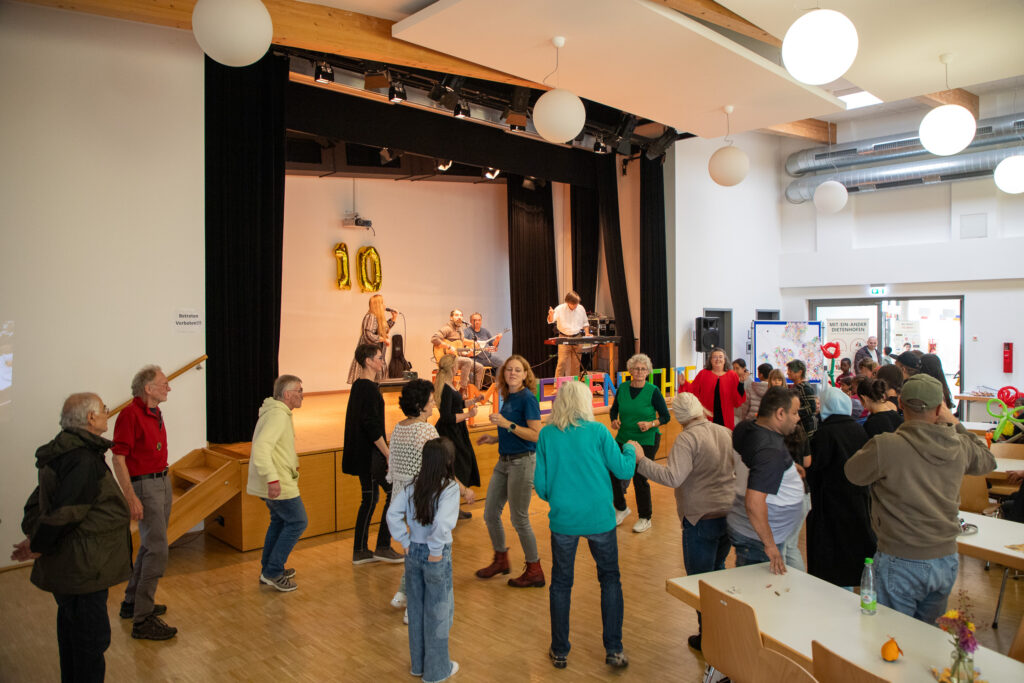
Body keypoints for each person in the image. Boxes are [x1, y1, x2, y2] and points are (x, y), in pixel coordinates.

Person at [845, 374, 996, 624]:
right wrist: (954, 422)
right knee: (928, 638)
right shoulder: (959, 445)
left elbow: (852, 473)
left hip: (899, 556)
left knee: (892, 636)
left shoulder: (886, 446)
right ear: (939, 408)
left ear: (900, 404)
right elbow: (988, 460)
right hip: (945, 557)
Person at [12, 392, 131, 681]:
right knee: (90, 642)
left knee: (73, 635)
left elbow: (40, 504)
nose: (107, 413)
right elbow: (67, 512)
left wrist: (37, 540)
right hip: (82, 568)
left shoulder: (65, 452)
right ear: (91, 418)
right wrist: (38, 545)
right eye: (103, 409)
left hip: (74, 565)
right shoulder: (81, 458)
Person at [534, 380, 637, 670]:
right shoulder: (598, 431)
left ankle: (559, 651)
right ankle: (614, 649)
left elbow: (540, 487)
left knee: (561, 584)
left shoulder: (547, 435)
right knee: (610, 579)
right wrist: (631, 449)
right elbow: (623, 469)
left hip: (564, 519)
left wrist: (559, 497)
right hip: (599, 517)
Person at [635, 392, 735, 652]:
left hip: (700, 518)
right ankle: (723, 631)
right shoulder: (725, 432)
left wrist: (641, 461)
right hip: (728, 515)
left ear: (679, 417)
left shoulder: (686, 439)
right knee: (718, 572)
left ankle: (708, 637)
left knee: (700, 582)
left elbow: (673, 477)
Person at [386, 438, 461, 683]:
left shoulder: (412, 485)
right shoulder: (449, 488)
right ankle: (437, 671)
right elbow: (442, 522)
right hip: (436, 555)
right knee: (439, 612)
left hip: (413, 552)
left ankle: (418, 665)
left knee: (416, 610)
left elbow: (392, 514)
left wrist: (404, 541)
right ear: (448, 461)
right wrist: (436, 549)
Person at [111, 365, 177, 640]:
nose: (169, 387)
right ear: (148, 389)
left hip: (162, 480)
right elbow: (118, 458)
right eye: (164, 383)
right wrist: (131, 497)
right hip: (145, 486)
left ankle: (132, 603)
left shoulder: (155, 412)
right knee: (158, 550)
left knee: (150, 546)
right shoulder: (129, 415)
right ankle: (143, 619)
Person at [475, 355, 544, 587]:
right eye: (508, 370)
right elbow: (515, 430)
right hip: (503, 461)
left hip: (522, 463)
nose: (512, 373)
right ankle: (501, 560)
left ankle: (534, 570)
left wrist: (507, 424)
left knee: (519, 518)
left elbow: (536, 435)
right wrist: (495, 438)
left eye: (517, 370)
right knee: (490, 514)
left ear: (525, 375)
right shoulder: (509, 396)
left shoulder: (528, 399)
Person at [728, 386, 805, 575]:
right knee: (759, 589)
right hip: (758, 541)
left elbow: (756, 458)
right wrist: (770, 546)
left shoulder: (746, 427)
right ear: (780, 413)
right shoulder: (770, 453)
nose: (798, 418)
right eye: (794, 412)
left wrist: (786, 468)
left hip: (754, 533)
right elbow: (754, 503)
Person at [806, 386, 875, 588]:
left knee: (832, 560)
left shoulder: (824, 433)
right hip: (859, 499)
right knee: (854, 551)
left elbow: (816, 469)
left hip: (830, 503)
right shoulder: (859, 429)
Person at [342, 343, 403, 565]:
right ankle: (382, 546)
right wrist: (387, 453)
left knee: (370, 498)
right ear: (368, 361)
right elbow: (370, 425)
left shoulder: (361, 386)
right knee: (392, 493)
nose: (382, 361)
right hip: (369, 456)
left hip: (365, 455)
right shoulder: (367, 388)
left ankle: (361, 550)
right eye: (379, 358)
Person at [248, 375, 308, 592]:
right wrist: (272, 479)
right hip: (278, 482)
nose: (302, 395)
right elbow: (261, 448)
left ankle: (269, 569)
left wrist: (292, 463)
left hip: (279, 478)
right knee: (298, 521)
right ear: (287, 394)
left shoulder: (278, 412)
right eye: (299, 391)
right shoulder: (278, 416)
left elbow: (278, 448)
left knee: (280, 522)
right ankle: (273, 571)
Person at [609, 353, 670, 532]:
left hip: (646, 439)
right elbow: (614, 410)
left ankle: (645, 517)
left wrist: (651, 424)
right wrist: (614, 420)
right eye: (636, 368)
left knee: (639, 477)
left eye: (643, 369)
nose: (640, 372)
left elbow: (665, 416)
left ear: (648, 372)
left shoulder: (653, 391)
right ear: (630, 370)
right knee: (612, 471)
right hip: (623, 437)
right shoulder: (623, 388)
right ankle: (621, 508)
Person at [433, 354, 481, 519]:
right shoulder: (446, 388)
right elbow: (447, 416)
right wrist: (468, 415)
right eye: (457, 365)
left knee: (462, 464)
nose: (458, 367)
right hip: (451, 432)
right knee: (459, 466)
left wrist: (473, 400)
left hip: (457, 431)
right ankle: (451, 509)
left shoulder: (449, 385)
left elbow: (457, 404)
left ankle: (454, 508)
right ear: (453, 367)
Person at [679, 347, 746, 430]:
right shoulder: (703, 374)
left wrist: (741, 383)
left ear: (724, 360)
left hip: (726, 416)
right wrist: (684, 384)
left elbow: (737, 398)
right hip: (707, 415)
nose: (718, 359)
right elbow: (693, 390)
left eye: (720, 357)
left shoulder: (732, 375)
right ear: (710, 360)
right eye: (715, 357)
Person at [348, 293, 398, 384]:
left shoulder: (376, 318)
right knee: (369, 381)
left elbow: (383, 330)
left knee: (377, 382)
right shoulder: (370, 316)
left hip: (376, 356)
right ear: (378, 305)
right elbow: (368, 335)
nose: (384, 306)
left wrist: (393, 318)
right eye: (382, 303)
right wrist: (383, 339)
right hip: (370, 357)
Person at [431, 309, 485, 394]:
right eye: (456, 315)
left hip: (456, 359)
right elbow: (434, 339)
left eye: (461, 315)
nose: (459, 317)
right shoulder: (447, 328)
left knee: (479, 367)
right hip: (445, 359)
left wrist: (467, 353)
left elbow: (459, 349)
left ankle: (475, 393)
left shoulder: (460, 330)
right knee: (467, 361)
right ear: (451, 317)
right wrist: (448, 346)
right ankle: (462, 389)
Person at [546, 291, 591, 378]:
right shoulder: (560, 309)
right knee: (561, 362)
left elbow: (585, 323)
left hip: (577, 337)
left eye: (577, 303)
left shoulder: (581, 308)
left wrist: (587, 333)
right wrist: (551, 315)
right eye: (573, 304)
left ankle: (574, 384)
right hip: (564, 337)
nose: (575, 306)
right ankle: (557, 384)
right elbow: (550, 320)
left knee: (576, 363)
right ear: (568, 302)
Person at [786, 359, 818, 440]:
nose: (787, 373)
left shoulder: (804, 387)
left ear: (800, 372)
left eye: (790, 371)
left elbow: (811, 408)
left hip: (806, 428)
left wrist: (793, 412)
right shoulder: (797, 386)